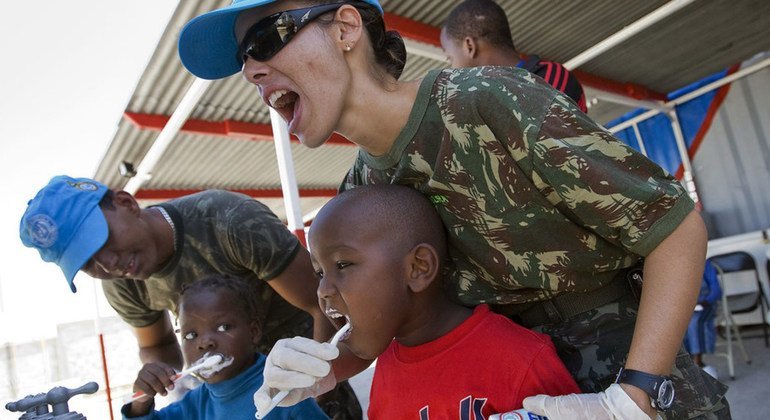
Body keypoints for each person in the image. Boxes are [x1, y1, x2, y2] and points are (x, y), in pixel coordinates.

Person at [177, 0, 729, 418]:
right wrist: (321, 369)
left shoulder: (487, 99)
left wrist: (634, 397)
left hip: (632, 367)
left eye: (268, 40)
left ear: (345, 29)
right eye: (245, 61)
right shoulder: (361, 192)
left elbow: (675, 229)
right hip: (513, 391)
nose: (251, 70)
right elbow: (370, 333)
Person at [19, 176, 361, 419]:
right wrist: (156, 378)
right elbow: (160, 350)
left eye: (100, 242)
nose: (107, 264)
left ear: (126, 203)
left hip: (309, 385)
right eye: (87, 263)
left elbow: (323, 306)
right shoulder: (121, 281)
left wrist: (314, 396)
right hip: (229, 400)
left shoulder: (227, 221)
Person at [255, 184, 581, 418]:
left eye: (342, 265)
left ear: (418, 268)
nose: (324, 289)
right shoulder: (387, 369)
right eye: (319, 273)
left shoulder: (518, 359)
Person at [123, 273, 329, 419]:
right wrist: (141, 402)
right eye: (191, 335)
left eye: (222, 327)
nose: (205, 342)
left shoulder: (283, 387)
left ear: (254, 331)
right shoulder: (194, 405)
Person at [439, 0, 587, 113]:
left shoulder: (549, 77)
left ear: (470, 46)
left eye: (450, 58)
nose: (452, 69)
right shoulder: (490, 102)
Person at [683, 260, 722, 379]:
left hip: (706, 305)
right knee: (679, 325)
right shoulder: (677, 267)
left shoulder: (705, 265)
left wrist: (706, 301)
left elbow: (717, 290)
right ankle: (688, 361)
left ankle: (697, 361)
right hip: (687, 308)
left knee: (694, 322)